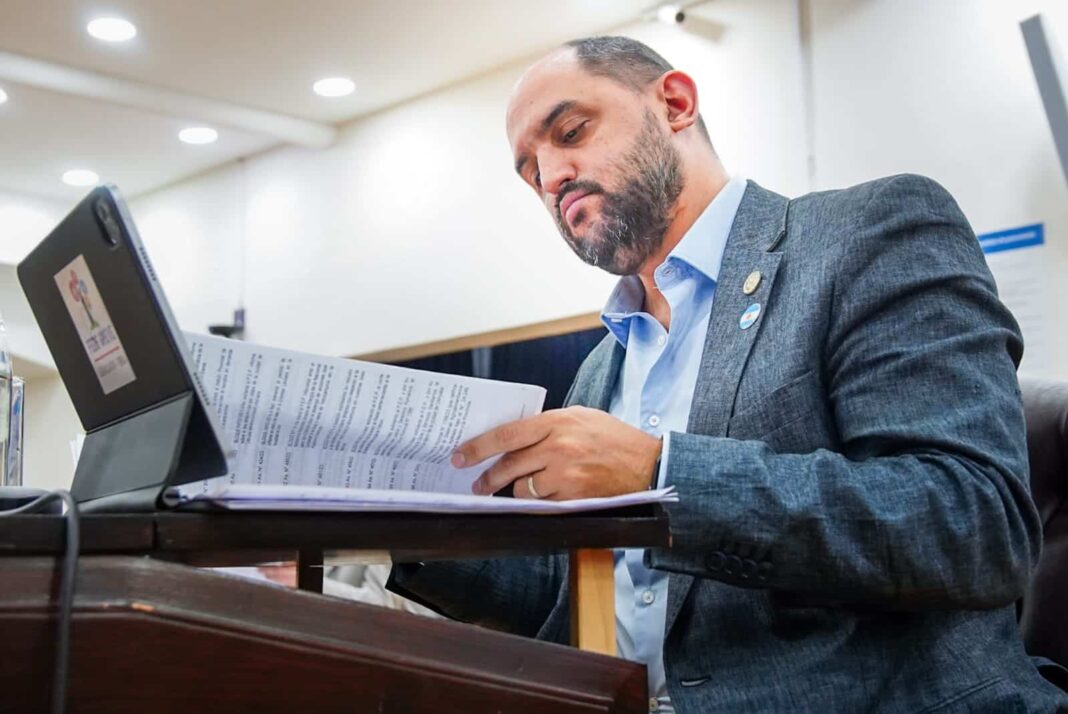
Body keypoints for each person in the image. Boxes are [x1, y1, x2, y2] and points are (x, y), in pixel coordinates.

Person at [390, 36, 1068, 712]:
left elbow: (973, 523)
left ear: (676, 104)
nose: (553, 175)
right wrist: (400, 531)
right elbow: (571, 601)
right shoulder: (601, 370)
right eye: (530, 172)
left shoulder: (865, 234)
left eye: (571, 131)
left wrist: (663, 474)